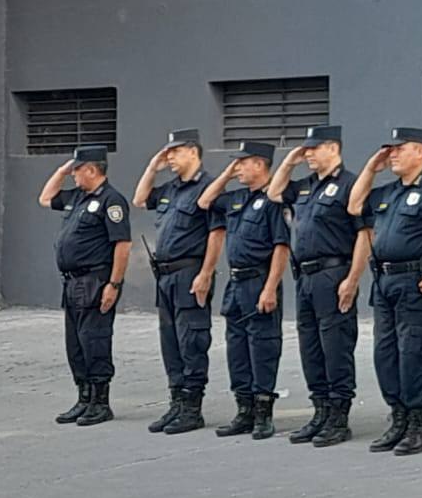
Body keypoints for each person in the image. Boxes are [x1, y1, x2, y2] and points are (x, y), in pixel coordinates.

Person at [349, 127, 422, 456]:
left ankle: (418, 425)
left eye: (400, 149)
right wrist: (371, 168)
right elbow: (354, 206)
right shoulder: (388, 192)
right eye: (391, 150)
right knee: (385, 354)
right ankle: (398, 418)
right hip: (385, 282)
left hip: (417, 282)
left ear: (421, 152)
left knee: (415, 353)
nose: (393, 155)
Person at [269, 126, 370, 447]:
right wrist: (289, 162)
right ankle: (320, 411)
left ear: (333, 148)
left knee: (335, 346)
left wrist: (352, 279)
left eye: (314, 148)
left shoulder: (351, 184)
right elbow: (274, 193)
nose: (308, 154)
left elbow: (364, 235)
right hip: (305, 276)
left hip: (333, 274)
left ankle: (339, 416)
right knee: (310, 347)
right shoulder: (306, 185)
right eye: (306, 149)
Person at [132, 129, 225, 435]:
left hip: (190, 272)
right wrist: (152, 167)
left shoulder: (208, 187)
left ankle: (192, 408)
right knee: (170, 342)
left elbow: (216, 233)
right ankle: (176, 402)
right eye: (167, 153)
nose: (169, 157)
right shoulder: (171, 188)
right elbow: (140, 199)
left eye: (175, 152)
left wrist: (206, 273)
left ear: (193, 152)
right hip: (166, 275)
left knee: (191, 339)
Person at [197, 142, 290, 440]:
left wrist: (270, 287)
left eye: (242, 163)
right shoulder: (236, 198)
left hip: (259, 281)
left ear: (260, 164)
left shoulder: (273, 200)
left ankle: (263, 413)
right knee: (237, 348)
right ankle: (244, 410)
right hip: (235, 283)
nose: (237, 168)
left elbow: (281, 247)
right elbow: (204, 201)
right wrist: (226, 174)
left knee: (262, 347)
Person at [37, 145, 131, 426]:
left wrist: (114, 284)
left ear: (91, 169)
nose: (73, 175)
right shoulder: (77, 197)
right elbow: (45, 198)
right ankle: (84, 398)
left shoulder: (111, 200)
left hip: (95, 280)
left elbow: (123, 245)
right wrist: (61, 171)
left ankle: (100, 403)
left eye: (76, 170)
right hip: (72, 282)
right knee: (76, 344)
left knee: (94, 340)